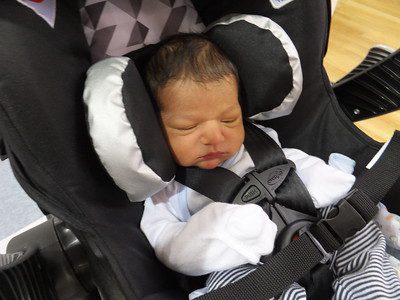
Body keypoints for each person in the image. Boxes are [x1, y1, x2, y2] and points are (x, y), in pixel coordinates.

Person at [140, 33, 400, 299]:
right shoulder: (166, 190)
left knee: (363, 238)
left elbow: (291, 161)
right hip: (248, 265)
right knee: (235, 288)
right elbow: (166, 242)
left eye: (229, 120)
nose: (215, 138)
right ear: (155, 128)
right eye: (189, 127)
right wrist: (218, 230)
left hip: (319, 226)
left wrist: (324, 179)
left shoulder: (258, 141)